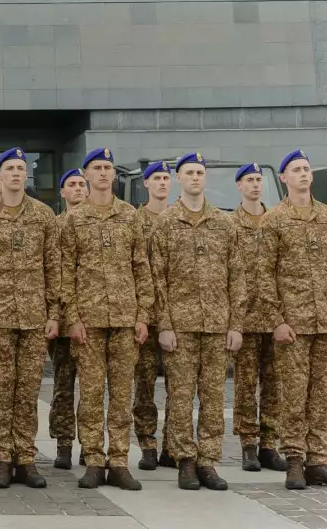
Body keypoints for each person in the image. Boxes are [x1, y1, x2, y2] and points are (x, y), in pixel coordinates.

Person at [0, 148, 62, 490]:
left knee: (29, 390)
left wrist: (54, 314)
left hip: (35, 318)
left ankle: (26, 458)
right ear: (0, 175)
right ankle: (3, 458)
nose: (16, 173)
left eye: (21, 168)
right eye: (10, 168)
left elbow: (54, 267)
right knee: (1, 390)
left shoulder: (44, 215)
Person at [151, 153, 245, 493]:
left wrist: (236, 324)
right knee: (179, 396)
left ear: (206, 178)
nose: (195, 178)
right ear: (178, 178)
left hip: (218, 325)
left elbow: (238, 276)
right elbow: (156, 278)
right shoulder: (166, 223)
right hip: (181, 326)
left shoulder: (223, 224)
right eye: (189, 172)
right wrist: (164, 324)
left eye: (200, 173)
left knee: (214, 397)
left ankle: (208, 461)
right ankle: (185, 461)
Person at [62, 147, 150, 492]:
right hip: (89, 320)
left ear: (114, 175)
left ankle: (119, 462)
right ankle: (94, 460)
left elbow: (142, 268)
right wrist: (72, 317)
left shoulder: (131, 216)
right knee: (92, 394)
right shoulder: (73, 219)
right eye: (96, 167)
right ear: (85, 175)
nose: (102, 173)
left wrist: (143, 315)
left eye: (108, 168)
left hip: (126, 319)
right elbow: (65, 271)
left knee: (121, 396)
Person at [269, 150, 327, 490]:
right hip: (293, 324)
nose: (304, 174)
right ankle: (294, 460)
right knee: (293, 394)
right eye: (296, 170)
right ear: (284, 178)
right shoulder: (276, 220)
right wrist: (276, 319)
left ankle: (318, 460)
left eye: (307, 169)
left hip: (326, 323)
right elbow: (264, 274)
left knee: (321, 395)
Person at [231, 163, 284, 473]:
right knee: (245, 385)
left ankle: (269, 444)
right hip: (246, 317)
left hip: (276, 317)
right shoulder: (229, 224)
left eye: (258, 179)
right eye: (249, 180)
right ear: (239, 185)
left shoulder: (277, 220)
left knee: (274, 384)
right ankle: (248, 445)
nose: (255, 185)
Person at [133, 159, 175, 471]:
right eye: (156, 178)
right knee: (144, 382)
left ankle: (173, 445)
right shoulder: (136, 220)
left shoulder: (178, 218)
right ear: (145, 183)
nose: (162, 182)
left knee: (179, 385)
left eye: (165, 177)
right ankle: (147, 442)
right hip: (147, 315)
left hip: (177, 315)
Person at [50, 168, 88, 469]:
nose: (77, 189)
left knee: (92, 388)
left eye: (81, 184)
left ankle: (90, 445)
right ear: (62, 193)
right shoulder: (55, 226)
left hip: (93, 320)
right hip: (63, 322)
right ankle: (63, 443)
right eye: (71, 185)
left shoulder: (96, 222)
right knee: (63, 385)